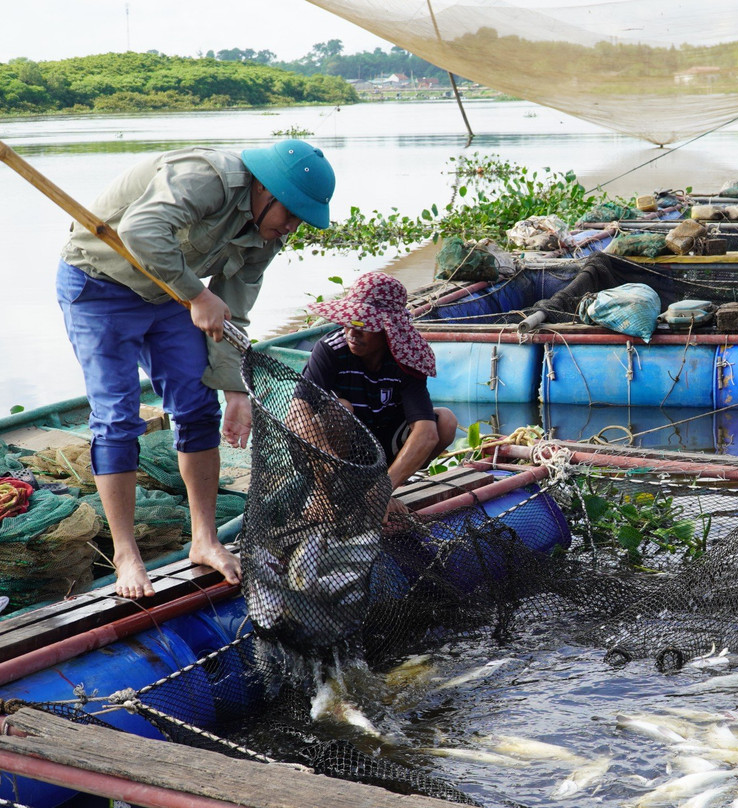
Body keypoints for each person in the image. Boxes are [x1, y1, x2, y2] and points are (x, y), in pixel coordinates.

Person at [56, 140, 336, 599]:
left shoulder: (268, 235)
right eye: (288, 213)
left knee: (197, 406)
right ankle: (127, 554)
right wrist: (199, 294)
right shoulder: (207, 176)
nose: (289, 227)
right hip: (99, 283)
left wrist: (236, 390)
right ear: (264, 189)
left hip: (169, 295)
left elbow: (233, 314)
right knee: (118, 418)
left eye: (299, 221)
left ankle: (205, 540)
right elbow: (142, 230)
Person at [300, 271, 457, 515]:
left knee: (445, 421)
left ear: (388, 330)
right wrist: (330, 468)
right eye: (348, 322)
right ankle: (325, 494)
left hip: (383, 447)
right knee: (340, 408)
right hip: (341, 452)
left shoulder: (406, 358)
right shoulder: (330, 350)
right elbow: (297, 415)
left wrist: (381, 491)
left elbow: (426, 433)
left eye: (363, 325)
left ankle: (379, 490)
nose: (352, 333)